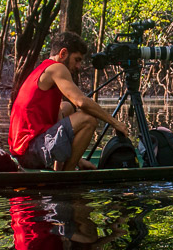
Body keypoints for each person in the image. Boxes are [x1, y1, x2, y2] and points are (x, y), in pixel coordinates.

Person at [9, 32, 132, 170]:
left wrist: (79, 159)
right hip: (30, 151)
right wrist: (115, 123)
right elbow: (81, 102)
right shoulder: (57, 68)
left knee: (66, 107)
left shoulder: (44, 68)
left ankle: (65, 166)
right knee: (88, 120)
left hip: (24, 151)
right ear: (63, 53)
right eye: (77, 59)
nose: (78, 66)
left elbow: (57, 117)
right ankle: (67, 174)